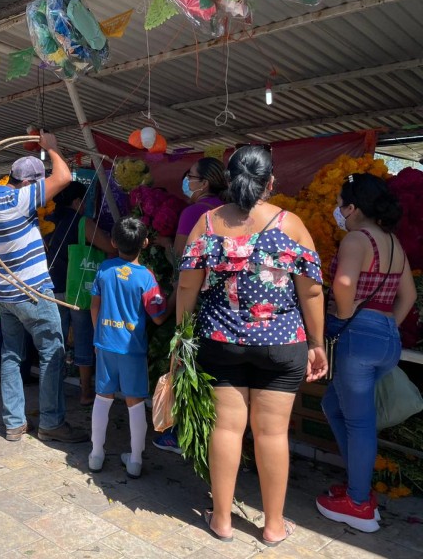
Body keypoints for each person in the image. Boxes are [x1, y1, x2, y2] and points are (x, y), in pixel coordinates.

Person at [176, 146, 327, 546]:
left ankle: (222, 519)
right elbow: (311, 293)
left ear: (229, 178)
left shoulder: (207, 223)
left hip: (220, 342)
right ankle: (273, 526)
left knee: (226, 427)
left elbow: (188, 285)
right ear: (271, 182)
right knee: (272, 435)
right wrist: (317, 344)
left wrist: (182, 337)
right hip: (281, 344)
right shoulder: (290, 224)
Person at [316, 174, 416, 533]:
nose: (338, 210)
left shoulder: (357, 239)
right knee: (333, 406)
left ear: (353, 208)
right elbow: (409, 296)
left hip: (358, 339)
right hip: (386, 338)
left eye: (341, 203)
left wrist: (345, 318)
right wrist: (385, 324)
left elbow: (343, 284)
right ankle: (358, 484)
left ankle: (358, 503)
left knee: (359, 423)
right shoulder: (392, 243)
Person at [0, 132, 88, 443]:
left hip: (5, 294)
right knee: (52, 352)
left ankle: (14, 423)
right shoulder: (21, 198)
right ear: (29, 184)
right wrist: (52, 147)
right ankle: (52, 422)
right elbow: (64, 176)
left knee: (12, 355)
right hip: (33, 292)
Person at [155, 157, 228, 454]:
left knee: (187, 367)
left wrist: (163, 244)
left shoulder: (194, 213)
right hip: (223, 304)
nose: (187, 180)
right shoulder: (229, 213)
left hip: (194, 300)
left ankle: (181, 434)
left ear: (204, 183)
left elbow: (182, 258)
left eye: (191, 176)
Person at [89, 217, 168, 477]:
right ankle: (134, 460)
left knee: (103, 397)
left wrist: (98, 337)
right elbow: (157, 316)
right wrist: (177, 293)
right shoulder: (146, 278)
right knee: (135, 402)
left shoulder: (104, 269)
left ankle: (96, 455)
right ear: (145, 243)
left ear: (113, 242)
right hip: (132, 349)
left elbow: (95, 306)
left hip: (106, 344)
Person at [46, 181, 114, 405]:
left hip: (53, 288)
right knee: (83, 338)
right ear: (77, 201)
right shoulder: (82, 222)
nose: (85, 204)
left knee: (57, 341)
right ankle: (85, 393)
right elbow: (110, 247)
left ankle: (53, 390)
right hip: (76, 289)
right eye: (83, 200)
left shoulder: (49, 220)